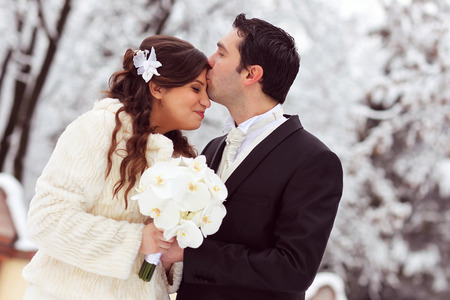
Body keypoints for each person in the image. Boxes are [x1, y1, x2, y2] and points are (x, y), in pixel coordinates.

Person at [165, 13, 343, 300]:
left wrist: (190, 255)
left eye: (221, 53)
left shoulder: (313, 161)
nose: (209, 60)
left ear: (251, 74)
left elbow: (294, 269)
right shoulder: (213, 147)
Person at [22, 35, 211, 300]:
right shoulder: (98, 128)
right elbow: (47, 219)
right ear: (157, 88)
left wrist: (170, 255)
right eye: (196, 88)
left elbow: (157, 260)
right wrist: (136, 240)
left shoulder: (180, 159)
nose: (207, 102)